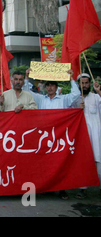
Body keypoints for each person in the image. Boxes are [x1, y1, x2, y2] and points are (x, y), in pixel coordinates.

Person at [24, 68, 77, 200]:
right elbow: (27, 92)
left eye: (53, 85)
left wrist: (72, 79)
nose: (50, 87)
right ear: (45, 87)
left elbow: (76, 95)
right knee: (47, 163)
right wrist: (27, 77)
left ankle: (62, 189)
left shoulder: (64, 99)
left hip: (61, 137)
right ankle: (49, 188)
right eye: (48, 85)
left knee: (61, 163)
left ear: (56, 86)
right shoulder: (42, 99)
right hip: (46, 137)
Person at [71, 73, 101, 199]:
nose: (84, 85)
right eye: (82, 83)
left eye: (86, 83)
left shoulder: (96, 97)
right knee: (83, 160)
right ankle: (82, 189)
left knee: (98, 161)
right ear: (79, 84)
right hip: (82, 135)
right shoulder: (76, 99)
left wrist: (99, 92)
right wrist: (77, 109)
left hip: (97, 134)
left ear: (90, 84)